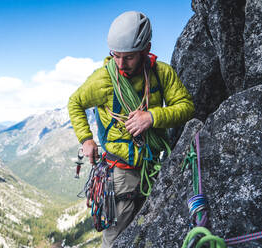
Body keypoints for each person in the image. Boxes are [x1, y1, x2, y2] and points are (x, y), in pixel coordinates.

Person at [68, 11, 194, 247]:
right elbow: (75, 103)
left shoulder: (161, 73)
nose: (121, 64)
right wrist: (86, 140)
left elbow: (186, 107)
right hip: (120, 172)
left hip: (152, 167)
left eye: (129, 57)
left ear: (146, 49)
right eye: (116, 56)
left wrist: (152, 117)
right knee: (115, 240)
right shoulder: (104, 80)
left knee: (149, 234)